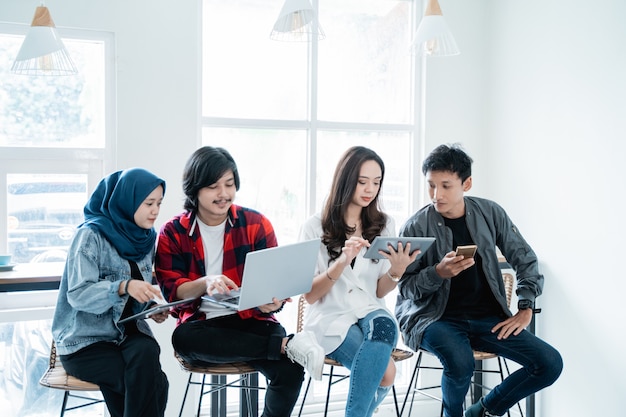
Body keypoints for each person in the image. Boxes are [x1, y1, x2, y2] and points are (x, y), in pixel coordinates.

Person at [154, 146, 324, 417]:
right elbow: (173, 293)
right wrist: (206, 281)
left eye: (229, 184)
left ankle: (283, 346)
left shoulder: (256, 224)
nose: (223, 194)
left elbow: (273, 288)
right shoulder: (173, 232)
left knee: (291, 371)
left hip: (252, 322)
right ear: (194, 190)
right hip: (203, 325)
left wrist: (271, 304)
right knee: (183, 339)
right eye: (213, 186)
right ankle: (285, 345)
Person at [396, 144, 563, 417]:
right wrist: (439, 272)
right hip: (433, 319)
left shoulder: (490, 213)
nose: (436, 195)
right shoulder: (415, 226)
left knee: (549, 362)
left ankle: (483, 410)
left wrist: (525, 306)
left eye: (446, 186)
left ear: (467, 183)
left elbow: (525, 259)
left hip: (488, 319)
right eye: (431, 186)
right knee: (461, 363)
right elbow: (405, 288)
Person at [299, 146, 419, 417]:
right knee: (387, 374)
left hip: (371, 311)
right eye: (362, 181)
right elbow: (309, 296)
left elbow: (379, 289)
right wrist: (341, 262)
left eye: (376, 183)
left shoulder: (384, 225)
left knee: (386, 325)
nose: (370, 189)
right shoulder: (314, 227)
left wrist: (396, 272)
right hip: (332, 318)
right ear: (345, 179)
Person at [52, 168, 169, 417]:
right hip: (85, 342)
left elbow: (131, 301)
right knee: (151, 384)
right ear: (127, 201)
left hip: (126, 334)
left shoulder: (146, 239)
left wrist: (150, 309)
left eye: (159, 203)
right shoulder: (89, 236)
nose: (155, 211)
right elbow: (79, 295)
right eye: (149, 203)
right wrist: (123, 286)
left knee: (148, 352)